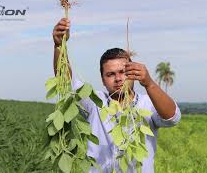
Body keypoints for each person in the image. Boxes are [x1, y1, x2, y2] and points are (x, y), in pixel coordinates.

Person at [52, 18, 181, 173]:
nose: (119, 78)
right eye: (110, 74)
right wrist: (59, 46)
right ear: (103, 79)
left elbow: (172, 117)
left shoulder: (147, 104)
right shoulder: (95, 102)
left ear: (133, 73)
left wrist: (149, 83)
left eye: (123, 72)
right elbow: (66, 83)